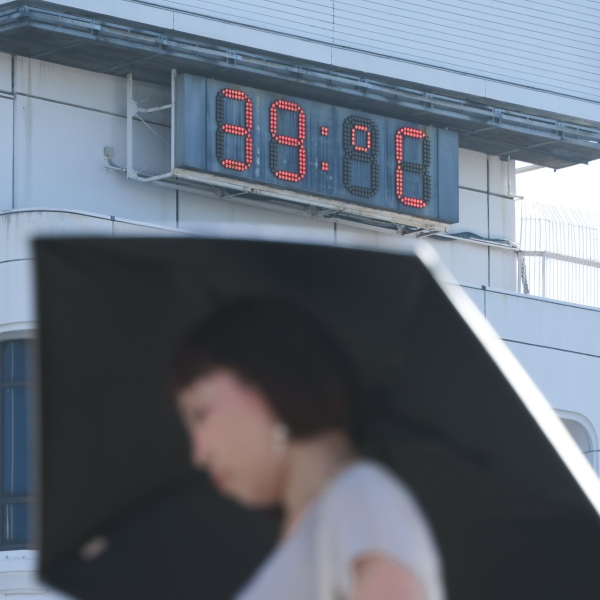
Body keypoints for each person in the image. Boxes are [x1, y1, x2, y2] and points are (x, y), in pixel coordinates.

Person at [170, 298, 446, 600]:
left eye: (200, 414)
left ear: (268, 379)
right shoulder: (332, 518)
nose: (199, 454)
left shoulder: (359, 493)